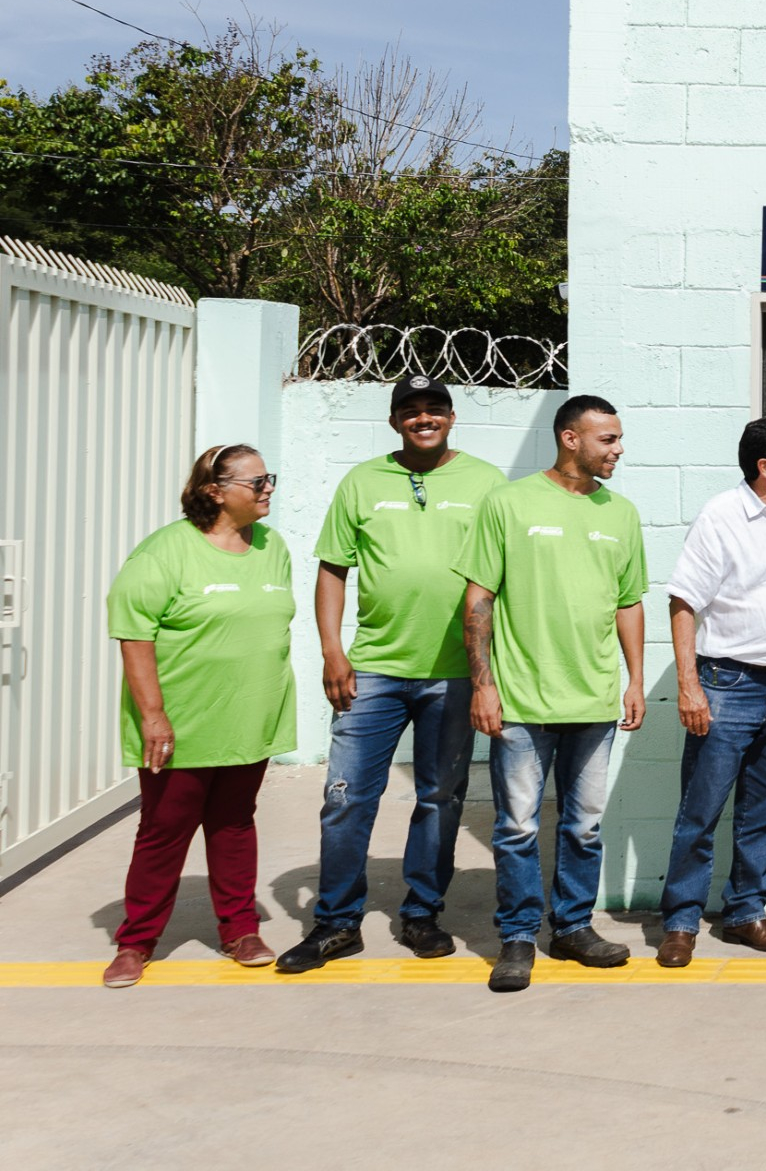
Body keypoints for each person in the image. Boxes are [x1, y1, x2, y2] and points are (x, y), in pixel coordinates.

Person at [278, 376, 506, 974]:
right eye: (410, 410)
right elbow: (333, 569)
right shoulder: (362, 481)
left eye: (434, 408)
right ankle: (336, 922)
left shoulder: (486, 483)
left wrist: (490, 674)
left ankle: (422, 913)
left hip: (455, 673)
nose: (423, 418)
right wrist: (333, 651)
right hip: (374, 668)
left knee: (439, 797)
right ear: (393, 421)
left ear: (452, 417)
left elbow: (505, 575)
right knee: (347, 798)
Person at [456, 394, 648, 993]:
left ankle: (571, 927)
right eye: (607, 440)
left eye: (618, 439)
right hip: (520, 698)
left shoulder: (621, 513)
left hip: (591, 697)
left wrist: (635, 678)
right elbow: (478, 599)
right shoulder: (508, 504)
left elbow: (629, 601)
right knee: (516, 825)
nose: (618, 450)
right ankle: (517, 938)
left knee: (584, 826)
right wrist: (483, 686)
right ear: (570, 438)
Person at [101, 445, 296, 988]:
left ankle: (240, 929)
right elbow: (134, 634)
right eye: (257, 482)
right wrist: (154, 717)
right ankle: (136, 940)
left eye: (268, 480)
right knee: (165, 830)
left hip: (248, 718)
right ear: (214, 490)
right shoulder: (165, 551)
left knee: (235, 823)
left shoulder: (271, 546)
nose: (268, 489)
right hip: (182, 724)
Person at [655, 418, 766, 968]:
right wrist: (689, 686)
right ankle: (682, 921)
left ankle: (745, 913)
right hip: (728, 686)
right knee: (701, 813)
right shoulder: (722, 516)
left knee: (765, 812)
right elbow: (683, 602)